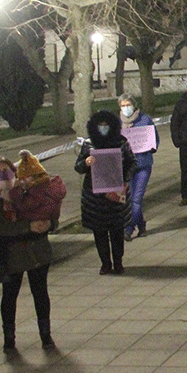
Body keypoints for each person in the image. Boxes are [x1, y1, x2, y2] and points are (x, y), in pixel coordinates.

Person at [0, 158, 58, 350]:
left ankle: (45, 334)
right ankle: (9, 339)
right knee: (9, 296)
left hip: (37, 252)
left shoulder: (27, 190)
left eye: (7, 171)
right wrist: (28, 227)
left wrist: (49, 224)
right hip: (10, 254)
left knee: (40, 293)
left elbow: (49, 210)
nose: (4, 176)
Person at [75, 110, 138, 274]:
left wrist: (125, 179)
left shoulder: (121, 142)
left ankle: (118, 262)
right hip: (94, 196)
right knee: (99, 231)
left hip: (116, 193)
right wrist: (86, 162)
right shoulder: (89, 144)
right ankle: (105, 263)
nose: (103, 128)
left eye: (106, 125)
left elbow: (132, 163)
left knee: (117, 231)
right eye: (100, 125)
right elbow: (78, 166)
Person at [119, 95, 158, 241]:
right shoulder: (117, 123)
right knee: (129, 199)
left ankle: (128, 229)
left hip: (143, 165)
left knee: (136, 199)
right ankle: (141, 225)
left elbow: (155, 138)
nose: (125, 108)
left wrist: (151, 146)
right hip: (126, 166)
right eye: (123, 105)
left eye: (128, 104)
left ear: (134, 105)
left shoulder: (145, 120)